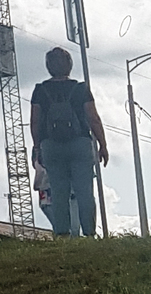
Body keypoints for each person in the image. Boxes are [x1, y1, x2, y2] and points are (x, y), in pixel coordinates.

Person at [30, 46, 109, 238]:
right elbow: (93, 118)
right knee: (84, 191)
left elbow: (35, 121)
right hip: (80, 143)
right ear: (70, 66)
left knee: (58, 192)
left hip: (51, 146)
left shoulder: (40, 90)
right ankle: (89, 233)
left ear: (48, 66)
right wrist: (102, 144)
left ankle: (62, 234)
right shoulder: (80, 88)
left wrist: (37, 146)